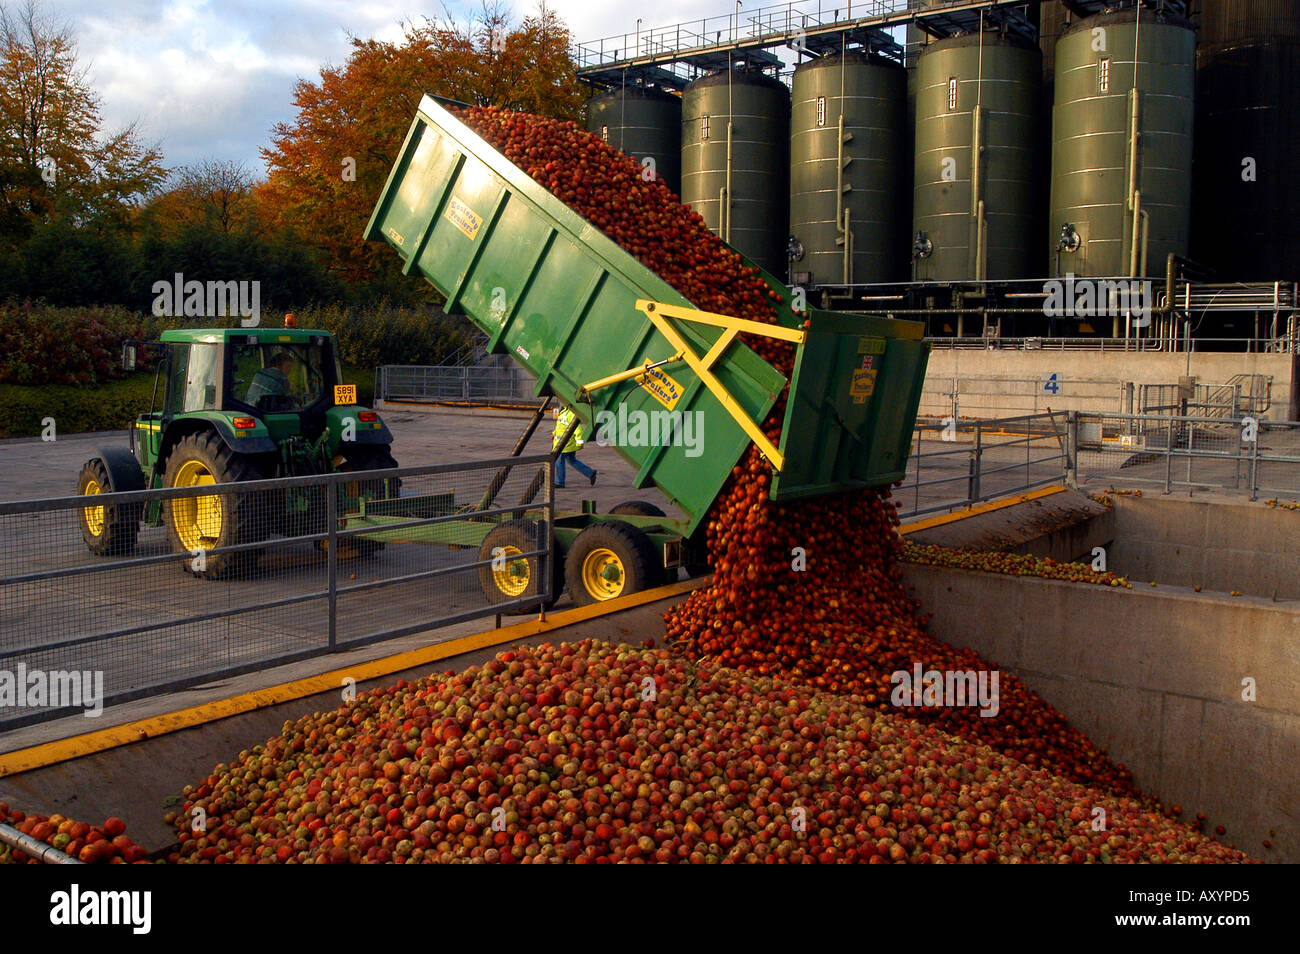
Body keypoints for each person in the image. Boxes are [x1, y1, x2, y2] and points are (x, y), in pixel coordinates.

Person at [552, 406, 597, 488]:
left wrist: (580, 443)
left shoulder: (571, 413)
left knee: (559, 462)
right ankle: (590, 472)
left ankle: (559, 482)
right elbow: (560, 426)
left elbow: (578, 429)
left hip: (566, 444)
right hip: (564, 443)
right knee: (572, 460)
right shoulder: (564, 411)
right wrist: (554, 433)